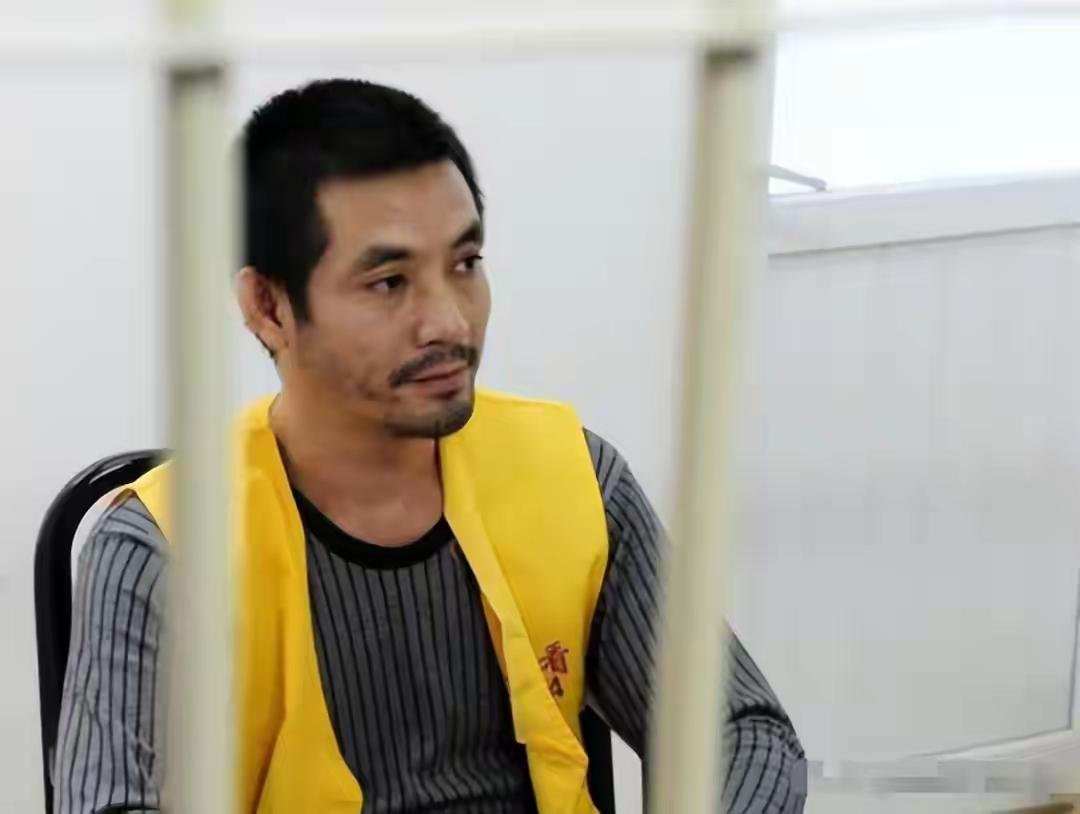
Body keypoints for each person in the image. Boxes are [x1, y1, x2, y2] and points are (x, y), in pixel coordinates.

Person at [53, 78, 805, 814]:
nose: (450, 322)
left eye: (465, 264)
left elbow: (742, 732)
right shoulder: (163, 546)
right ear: (269, 306)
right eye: (389, 282)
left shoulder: (574, 477)